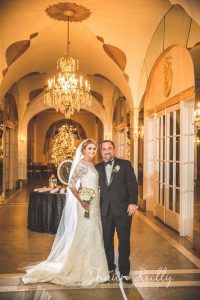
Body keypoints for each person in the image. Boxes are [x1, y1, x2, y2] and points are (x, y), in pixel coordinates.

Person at [22, 139, 109, 286]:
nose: (93, 152)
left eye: (94, 149)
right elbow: (71, 185)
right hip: (85, 205)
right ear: (83, 151)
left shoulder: (91, 164)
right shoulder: (81, 164)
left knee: (94, 233)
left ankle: (94, 267)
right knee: (86, 234)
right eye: (90, 149)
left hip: (94, 204)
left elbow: (88, 183)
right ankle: (82, 269)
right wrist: (81, 200)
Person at [95, 140, 138, 284]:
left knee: (124, 241)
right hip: (105, 210)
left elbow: (132, 184)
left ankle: (125, 272)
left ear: (114, 149)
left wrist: (133, 203)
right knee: (107, 240)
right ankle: (109, 267)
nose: (107, 151)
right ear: (101, 151)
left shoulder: (125, 164)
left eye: (109, 148)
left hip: (123, 209)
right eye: (104, 149)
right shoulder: (97, 168)